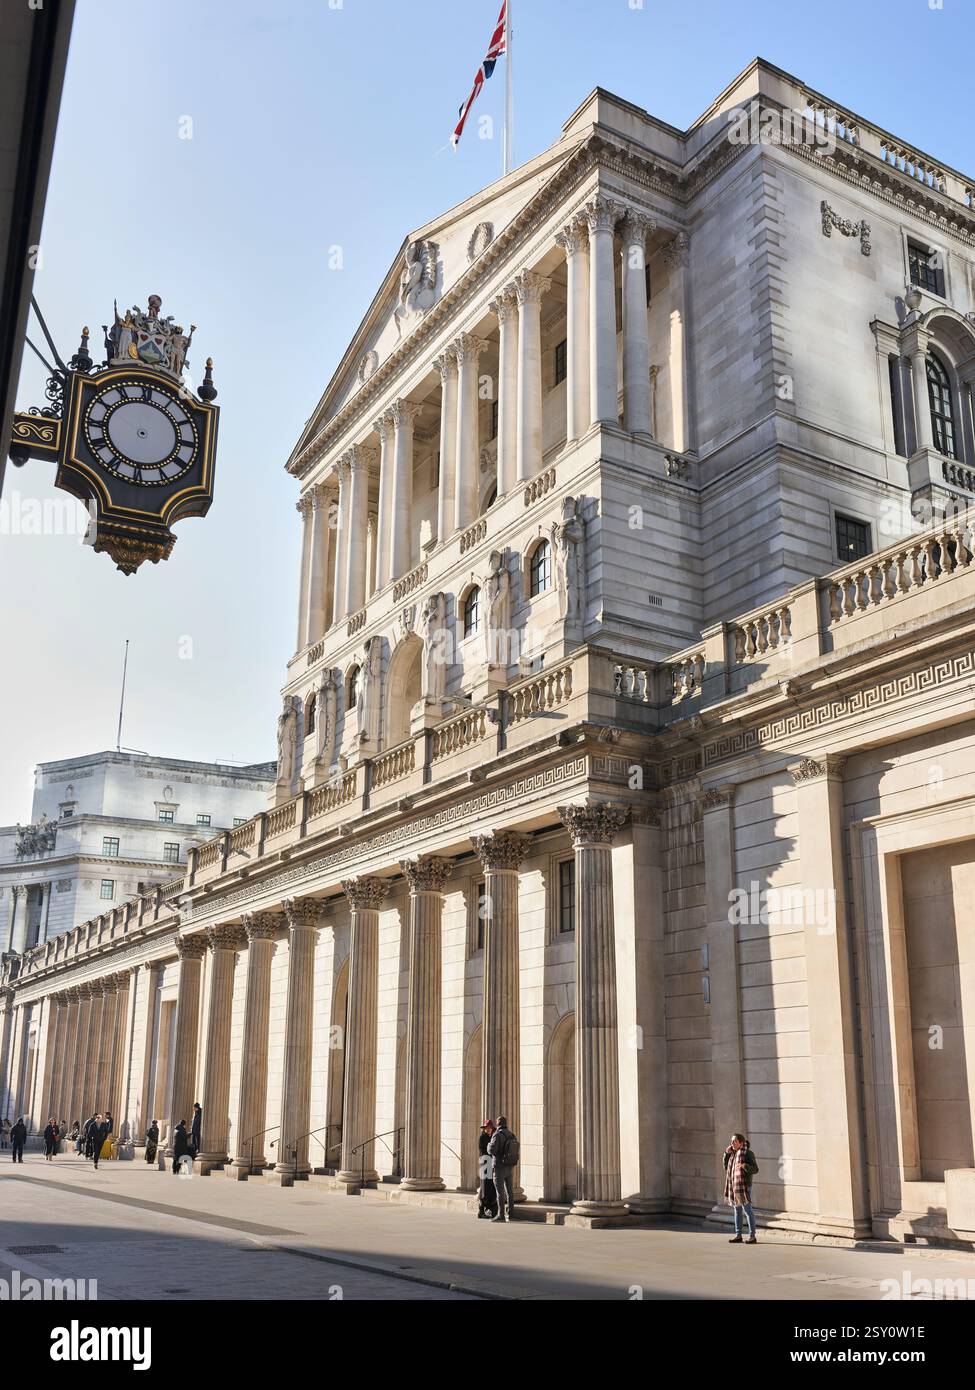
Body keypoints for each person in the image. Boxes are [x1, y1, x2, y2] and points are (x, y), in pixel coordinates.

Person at [723, 1132, 759, 1244]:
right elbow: (725, 1167)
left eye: (734, 1141)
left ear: (741, 1142)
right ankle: (738, 1235)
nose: (732, 1143)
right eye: (731, 1141)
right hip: (734, 1185)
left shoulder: (748, 1153)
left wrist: (745, 1166)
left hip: (744, 1186)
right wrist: (726, 1154)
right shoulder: (733, 1154)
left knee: (748, 1211)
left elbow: (756, 1169)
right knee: (737, 1210)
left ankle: (752, 1236)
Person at [487, 1113, 519, 1224]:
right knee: (510, 1192)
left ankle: (500, 1215)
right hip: (509, 1166)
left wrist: (488, 1145)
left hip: (499, 1167)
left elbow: (492, 1150)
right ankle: (511, 1214)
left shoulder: (497, 1135)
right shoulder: (511, 1134)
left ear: (498, 1124)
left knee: (500, 1192)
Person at [477, 1119, 497, 1220]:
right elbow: (484, 1151)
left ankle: (488, 1209)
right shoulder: (482, 1138)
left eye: (490, 1128)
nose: (488, 1130)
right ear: (484, 1129)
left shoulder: (491, 1137)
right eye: (487, 1128)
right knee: (485, 1187)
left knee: (490, 1186)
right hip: (485, 1163)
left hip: (489, 1163)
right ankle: (481, 1210)